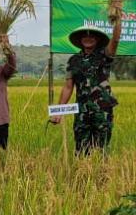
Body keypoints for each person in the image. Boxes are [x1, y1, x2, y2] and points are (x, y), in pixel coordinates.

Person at [51, 20, 123, 154]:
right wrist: (58, 111)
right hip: (82, 111)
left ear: (97, 39)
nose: (88, 38)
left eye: (91, 36)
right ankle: (83, 173)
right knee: (81, 149)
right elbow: (68, 87)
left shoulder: (104, 55)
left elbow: (115, 40)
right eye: (85, 35)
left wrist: (118, 18)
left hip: (102, 110)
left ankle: (102, 174)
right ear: (80, 39)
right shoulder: (73, 60)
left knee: (101, 150)